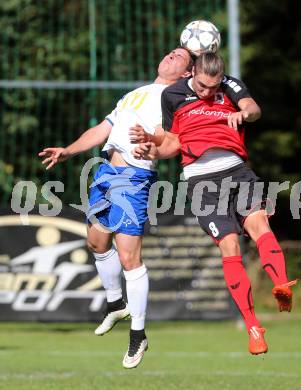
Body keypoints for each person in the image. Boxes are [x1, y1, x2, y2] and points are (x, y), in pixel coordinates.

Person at [133, 52, 297, 355]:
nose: (208, 93)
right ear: (192, 73)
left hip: (237, 169)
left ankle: (282, 285)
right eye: (203, 86)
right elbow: (172, 142)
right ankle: (253, 327)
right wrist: (152, 146)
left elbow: (253, 108)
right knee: (231, 246)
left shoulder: (229, 86)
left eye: (214, 87)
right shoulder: (172, 96)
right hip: (202, 182)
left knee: (259, 222)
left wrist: (242, 114)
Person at [39, 47, 193, 368]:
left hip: (134, 178)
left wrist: (154, 141)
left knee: (129, 257)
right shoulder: (134, 94)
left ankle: (138, 334)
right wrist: (69, 150)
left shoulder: (175, 96)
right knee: (95, 241)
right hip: (106, 173)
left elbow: (171, 138)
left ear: (186, 74)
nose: (170, 56)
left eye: (180, 57)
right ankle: (115, 302)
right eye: (171, 52)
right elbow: (104, 129)